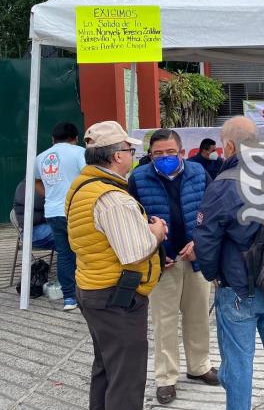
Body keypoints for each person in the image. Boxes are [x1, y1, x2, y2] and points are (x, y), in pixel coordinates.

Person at [194, 116, 264, 410]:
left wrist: (212, 275)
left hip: (238, 289)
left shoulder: (222, 185)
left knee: (238, 366)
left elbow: (206, 240)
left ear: (228, 146)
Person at [66, 121, 167, 410]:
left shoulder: (82, 187)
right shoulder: (113, 198)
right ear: (117, 156)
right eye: (128, 150)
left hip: (93, 287)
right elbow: (133, 252)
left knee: (107, 367)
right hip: (118, 297)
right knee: (126, 378)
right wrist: (157, 232)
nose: (133, 155)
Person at [128, 129, 218, 405]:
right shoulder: (139, 178)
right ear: (150, 155)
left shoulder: (199, 173)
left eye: (170, 152)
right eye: (158, 153)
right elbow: (132, 219)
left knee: (198, 315)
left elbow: (214, 211)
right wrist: (154, 249)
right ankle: (166, 378)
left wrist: (199, 243)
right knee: (163, 321)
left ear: (181, 152)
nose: (165, 157)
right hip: (161, 262)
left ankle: (199, 365)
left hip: (195, 258)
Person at [34, 121, 86, 310]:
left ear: (52, 139)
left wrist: (51, 195)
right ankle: (87, 294)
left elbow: (37, 182)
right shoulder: (79, 152)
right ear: (76, 138)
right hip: (76, 209)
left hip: (53, 211)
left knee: (64, 254)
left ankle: (69, 298)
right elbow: (89, 177)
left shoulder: (40, 157)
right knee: (84, 251)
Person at [13, 180, 55, 249]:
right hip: (31, 232)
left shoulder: (43, 184)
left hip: (44, 227)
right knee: (62, 233)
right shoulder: (25, 187)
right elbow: (42, 203)